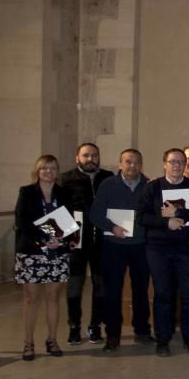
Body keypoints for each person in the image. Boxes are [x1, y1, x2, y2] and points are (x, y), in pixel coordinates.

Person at [138, 148, 189, 357]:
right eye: (172, 161)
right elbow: (142, 217)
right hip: (159, 250)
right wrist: (166, 223)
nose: (177, 165)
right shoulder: (153, 187)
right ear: (164, 164)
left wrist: (178, 213)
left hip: (187, 250)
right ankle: (163, 339)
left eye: (180, 162)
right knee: (163, 295)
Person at [90, 149, 152, 352]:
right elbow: (95, 214)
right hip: (114, 246)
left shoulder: (149, 185)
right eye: (128, 162)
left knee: (141, 291)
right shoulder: (108, 185)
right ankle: (113, 334)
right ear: (120, 164)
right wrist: (112, 227)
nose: (132, 165)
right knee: (112, 291)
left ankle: (142, 330)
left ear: (141, 164)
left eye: (136, 162)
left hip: (141, 246)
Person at [14, 155, 72, 360]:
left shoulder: (64, 193)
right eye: (44, 168)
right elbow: (23, 222)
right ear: (37, 171)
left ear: (57, 171)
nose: (49, 172)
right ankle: (28, 343)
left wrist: (61, 240)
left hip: (57, 253)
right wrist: (43, 239)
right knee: (31, 300)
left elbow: (70, 221)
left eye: (53, 168)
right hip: (32, 253)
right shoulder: (27, 192)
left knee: (54, 298)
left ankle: (52, 340)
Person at [59, 143, 113, 345]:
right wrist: (66, 237)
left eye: (94, 155)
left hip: (102, 240)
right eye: (86, 155)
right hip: (76, 241)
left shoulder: (108, 177)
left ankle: (95, 326)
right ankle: (74, 326)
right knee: (74, 285)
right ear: (77, 158)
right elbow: (59, 209)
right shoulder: (66, 179)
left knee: (100, 285)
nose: (90, 159)